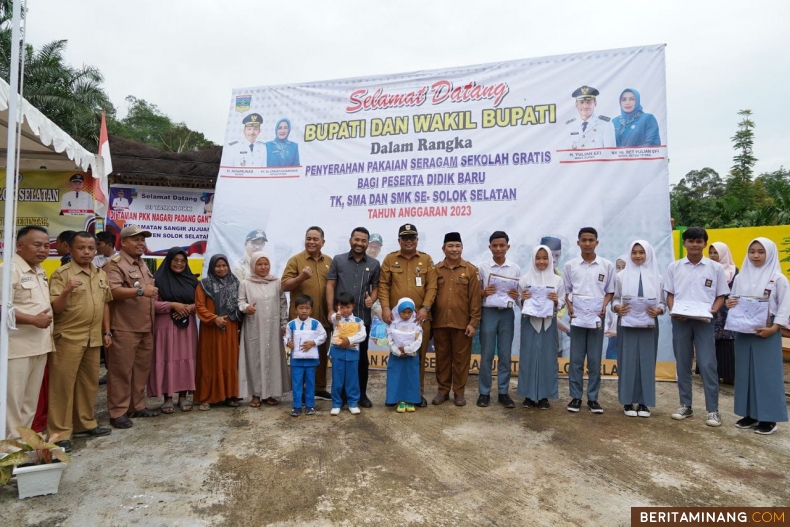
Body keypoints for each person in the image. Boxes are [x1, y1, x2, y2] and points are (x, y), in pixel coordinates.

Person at [47, 231, 113, 451]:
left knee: (88, 384)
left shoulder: (100, 274)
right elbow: (56, 308)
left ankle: (84, 423)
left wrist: (107, 332)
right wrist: (67, 290)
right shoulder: (61, 274)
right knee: (62, 387)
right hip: (68, 338)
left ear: (95, 250)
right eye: (81, 248)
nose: (86, 252)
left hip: (93, 338)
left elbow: (105, 303)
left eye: (91, 248)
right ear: (71, 249)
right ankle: (59, 433)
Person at [665, 227, 729, 427]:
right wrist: (674, 311)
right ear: (684, 243)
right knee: (683, 362)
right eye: (690, 240)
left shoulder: (715, 268)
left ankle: (713, 410)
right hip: (680, 321)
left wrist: (711, 312)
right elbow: (669, 294)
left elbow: (721, 296)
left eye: (699, 241)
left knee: (708, 363)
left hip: (704, 322)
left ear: (704, 243)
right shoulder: (674, 267)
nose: (694, 244)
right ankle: (686, 405)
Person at [726, 238, 789, 435]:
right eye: (752, 251)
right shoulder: (740, 277)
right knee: (745, 372)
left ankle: (769, 418)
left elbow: (785, 306)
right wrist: (730, 303)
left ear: (769, 254)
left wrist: (774, 328)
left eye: (761, 252)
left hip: (767, 328)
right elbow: (733, 298)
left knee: (766, 373)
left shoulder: (779, 279)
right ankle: (750, 414)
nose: (755, 255)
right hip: (743, 330)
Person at [103, 225, 160, 429]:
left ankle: (137, 405)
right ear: (123, 242)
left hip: (145, 326)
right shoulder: (114, 264)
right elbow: (112, 291)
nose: (140, 243)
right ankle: (118, 411)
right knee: (121, 372)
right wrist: (139, 292)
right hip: (124, 328)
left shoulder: (142, 264)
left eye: (143, 240)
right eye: (136, 239)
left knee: (141, 370)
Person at [2, 226, 55, 439]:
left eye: (47, 245)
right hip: (17, 349)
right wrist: (32, 320)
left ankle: (22, 447)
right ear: (20, 245)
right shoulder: (9, 269)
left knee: (29, 402)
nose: (43, 250)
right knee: (12, 404)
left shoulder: (39, 271)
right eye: (37, 245)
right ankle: (8, 451)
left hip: (40, 346)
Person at [378, 224, 438, 407]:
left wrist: (425, 308)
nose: (409, 241)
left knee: (417, 357)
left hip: (419, 318)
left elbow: (432, 286)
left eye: (412, 237)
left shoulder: (426, 260)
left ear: (417, 240)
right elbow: (383, 285)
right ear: (399, 241)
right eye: (405, 238)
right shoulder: (390, 259)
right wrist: (386, 308)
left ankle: (416, 394)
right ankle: (394, 395)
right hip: (396, 320)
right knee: (397, 357)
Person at [326, 227, 380, 408]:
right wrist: (330, 311)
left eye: (364, 241)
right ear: (351, 240)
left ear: (367, 243)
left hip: (361, 319)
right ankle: (340, 397)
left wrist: (372, 300)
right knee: (341, 359)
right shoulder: (338, 260)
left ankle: (361, 395)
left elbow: (376, 288)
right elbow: (331, 285)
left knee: (361, 359)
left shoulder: (373, 264)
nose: (360, 243)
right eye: (357, 239)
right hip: (341, 321)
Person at [563, 227, 615, 414]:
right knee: (576, 359)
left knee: (594, 360)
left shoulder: (606, 266)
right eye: (583, 240)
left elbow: (610, 291)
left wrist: (604, 306)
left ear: (597, 242)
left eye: (590, 240)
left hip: (596, 319)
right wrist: (569, 305)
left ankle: (593, 398)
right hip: (577, 318)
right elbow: (567, 291)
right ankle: (575, 397)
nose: (587, 243)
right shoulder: (570, 265)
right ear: (578, 242)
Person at [612, 240, 665, 418]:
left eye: (641, 252)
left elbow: (663, 303)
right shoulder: (621, 277)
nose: (637, 256)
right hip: (627, 323)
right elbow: (615, 299)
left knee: (646, 362)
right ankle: (627, 402)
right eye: (634, 252)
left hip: (649, 325)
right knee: (627, 361)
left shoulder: (658, 278)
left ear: (648, 254)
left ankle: (643, 403)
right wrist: (617, 308)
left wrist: (659, 310)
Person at [431, 232, 482, 407]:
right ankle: (443, 391)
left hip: (462, 324)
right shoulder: (435, 270)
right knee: (442, 358)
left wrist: (473, 322)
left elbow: (475, 299)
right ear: (443, 248)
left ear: (462, 248)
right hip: (439, 323)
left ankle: (459, 392)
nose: (454, 249)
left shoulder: (470, 270)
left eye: (457, 246)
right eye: (450, 246)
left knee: (461, 360)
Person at [282, 227, 332, 401]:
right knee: (301, 353)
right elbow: (284, 285)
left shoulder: (329, 262)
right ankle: (301, 391)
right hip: (301, 320)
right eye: (308, 238)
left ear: (323, 242)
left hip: (323, 316)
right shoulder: (296, 260)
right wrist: (301, 278)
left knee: (321, 353)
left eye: (315, 239)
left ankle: (319, 388)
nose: (311, 242)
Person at [147, 248, 198, 414]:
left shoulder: (192, 280)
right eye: (175, 260)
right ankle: (167, 398)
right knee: (167, 358)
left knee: (185, 358)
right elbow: (151, 304)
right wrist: (172, 305)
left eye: (183, 261)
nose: (179, 264)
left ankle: (183, 397)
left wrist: (188, 307)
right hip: (165, 327)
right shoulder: (158, 280)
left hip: (187, 326)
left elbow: (201, 303)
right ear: (168, 261)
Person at [238, 252, 290, 408]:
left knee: (273, 359)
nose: (263, 267)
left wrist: (283, 323)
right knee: (254, 359)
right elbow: (240, 302)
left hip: (273, 328)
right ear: (253, 266)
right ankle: (256, 395)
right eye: (259, 264)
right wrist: (247, 308)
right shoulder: (245, 283)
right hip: (254, 327)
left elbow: (282, 304)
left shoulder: (276, 282)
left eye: (265, 264)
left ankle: (270, 394)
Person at [476, 231, 520, 408]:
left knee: (504, 354)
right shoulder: (483, 267)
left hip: (507, 314)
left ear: (508, 247)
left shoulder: (515, 268)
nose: (498, 248)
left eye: (502, 245)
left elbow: (517, 295)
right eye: (495, 245)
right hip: (489, 312)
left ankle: (503, 392)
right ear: (489, 247)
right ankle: (484, 392)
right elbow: (475, 293)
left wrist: (517, 295)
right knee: (486, 353)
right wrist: (482, 292)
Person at [517, 245, 565, 409]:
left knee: (547, 358)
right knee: (528, 357)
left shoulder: (557, 280)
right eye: (538, 258)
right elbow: (518, 302)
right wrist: (522, 299)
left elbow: (563, 301)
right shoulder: (524, 280)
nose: (541, 261)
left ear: (551, 260)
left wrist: (556, 301)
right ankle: (528, 395)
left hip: (548, 324)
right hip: (529, 323)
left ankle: (544, 396)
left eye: (545, 258)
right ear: (533, 259)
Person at [194, 255, 242, 410]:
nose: (221, 269)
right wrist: (214, 318)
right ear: (212, 267)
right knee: (210, 360)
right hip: (211, 328)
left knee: (229, 359)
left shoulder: (236, 283)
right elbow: (200, 306)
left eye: (224, 265)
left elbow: (240, 304)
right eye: (217, 266)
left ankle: (230, 395)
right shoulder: (204, 284)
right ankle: (207, 397)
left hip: (230, 327)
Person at [285, 295, 327, 417]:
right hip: (296, 361)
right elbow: (286, 337)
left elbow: (323, 336)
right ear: (295, 309)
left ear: (311, 310)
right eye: (301, 308)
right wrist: (288, 342)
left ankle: (310, 405)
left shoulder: (316, 324)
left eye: (307, 308)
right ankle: (297, 406)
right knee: (297, 383)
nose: (304, 310)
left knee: (310, 383)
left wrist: (313, 342)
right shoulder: (291, 325)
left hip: (310, 360)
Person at [328, 292, 367, 415]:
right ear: (337, 307)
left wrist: (349, 340)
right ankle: (336, 403)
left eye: (348, 307)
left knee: (352, 379)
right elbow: (333, 318)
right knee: (337, 379)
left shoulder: (358, 321)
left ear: (353, 306)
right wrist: (337, 314)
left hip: (352, 354)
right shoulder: (336, 319)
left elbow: (362, 335)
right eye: (342, 307)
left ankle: (352, 403)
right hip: (337, 353)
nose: (345, 310)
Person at [385, 298, 423, 412]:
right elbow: (390, 339)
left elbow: (419, 339)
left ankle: (411, 400)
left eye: (409, 312)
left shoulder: (416, 323)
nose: (406, 315)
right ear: (398, 311)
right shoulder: (393, 323)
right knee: (397, 377)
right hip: (396, 357)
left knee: (411, 377)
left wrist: (407, 350)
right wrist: (397, 351)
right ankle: (400, 400)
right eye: (403, 312)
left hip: (411, 356)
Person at [708, 242, 738, 384]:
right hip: (711, 310)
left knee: (727, 341)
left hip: (727, 311)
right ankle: (711, 373)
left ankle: (728, 374)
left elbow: (737, 291)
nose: (713, 256)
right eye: (711, 253)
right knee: (710, 340)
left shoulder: (734, 271)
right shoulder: (707, 269)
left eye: (716, 253)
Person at [605, 257, 627, 360]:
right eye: (618, 267)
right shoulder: (612, 291)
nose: (621, 270)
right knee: (612, 366)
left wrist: (617, 333)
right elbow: (608, 317)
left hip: (628, 339)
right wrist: (606, 330)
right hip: (613, 340)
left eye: (624, 267)